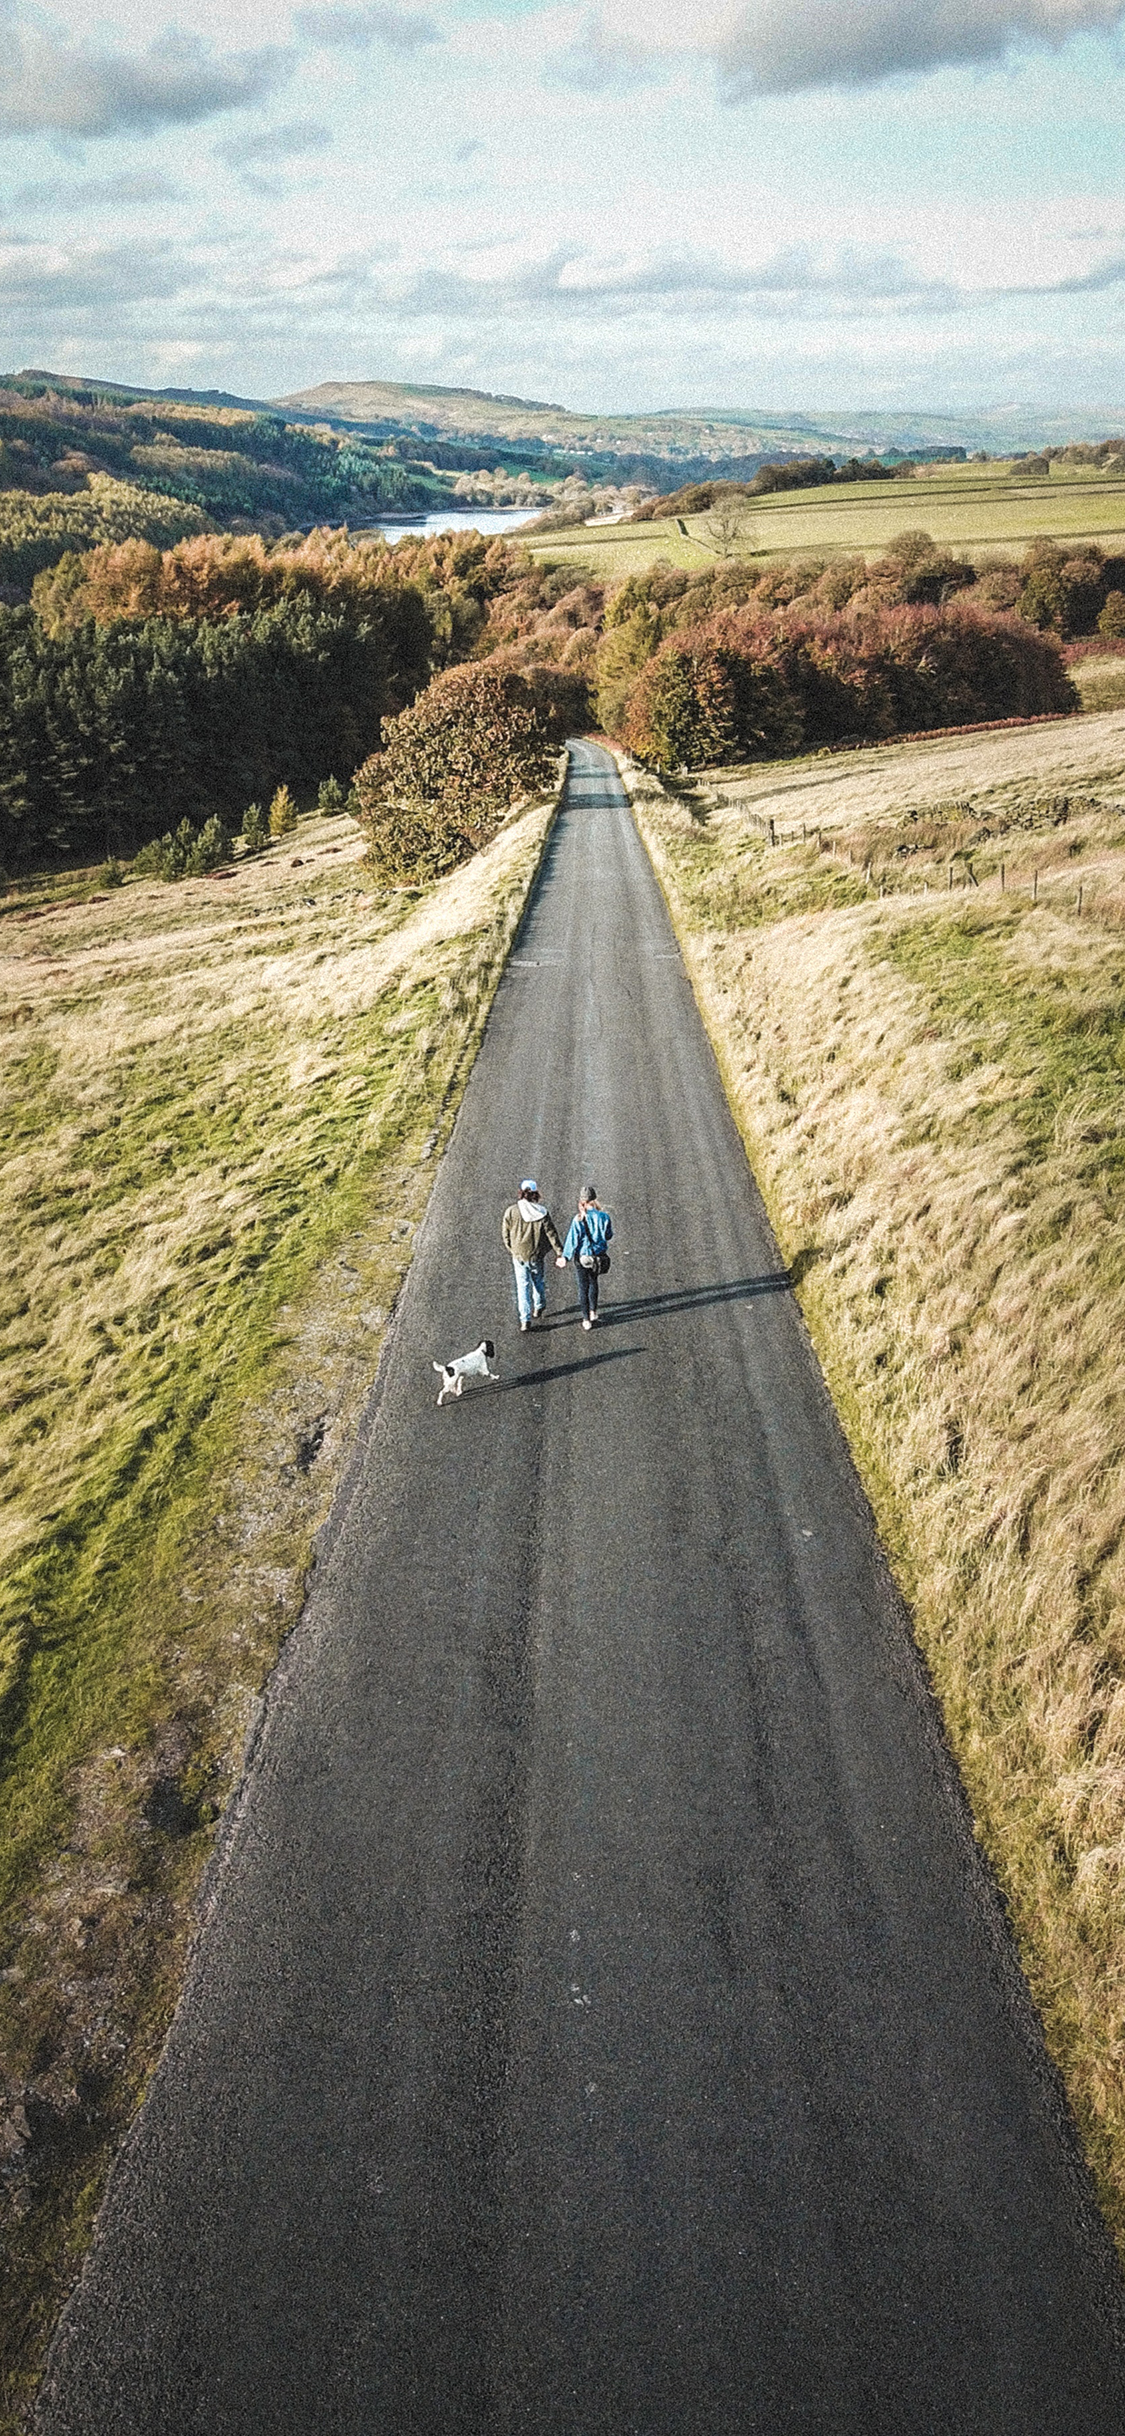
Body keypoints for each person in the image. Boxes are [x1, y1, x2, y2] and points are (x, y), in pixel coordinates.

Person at [502, 1178, 563, 1331]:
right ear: (535, 1194)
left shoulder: (511, 1211)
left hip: (518, 1256)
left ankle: (525, 1319)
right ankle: (539, 1306)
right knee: (538, 1282)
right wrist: (560, 1252)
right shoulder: (541, 1212)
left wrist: (512, 1250)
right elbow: (551, 1234)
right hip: (536, 1256)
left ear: (521, 1193)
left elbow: (505, 1234)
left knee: (522, 1287)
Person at [557, 1186, 613, 1329]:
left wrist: (565, 1257)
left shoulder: (579, 1219)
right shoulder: (604, 1217)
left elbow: (572, 1240)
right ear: (594, 1199)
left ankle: (586, 1319)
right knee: (593, 1283)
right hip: (598, 1256)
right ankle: (593, 1311)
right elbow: (608, 1236)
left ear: (581, 1201)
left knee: (583, 1287)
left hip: (583, 1257)